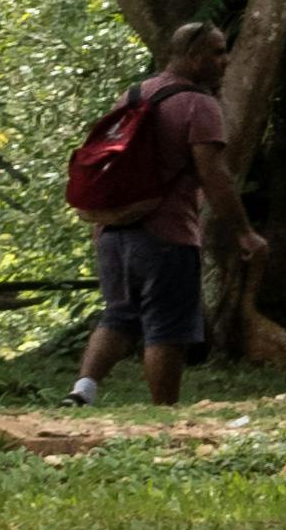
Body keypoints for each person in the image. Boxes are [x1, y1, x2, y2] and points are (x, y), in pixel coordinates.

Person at [69, 26, 231, 408]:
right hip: (167, 232)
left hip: (113, 228)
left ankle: (83, 390)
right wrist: (241, 231)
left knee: (118, 315)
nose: (225, 61)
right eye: (218, 52)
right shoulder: (199, 105)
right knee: (168, 326)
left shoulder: (134, 94)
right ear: (194, 56)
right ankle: (164, 411)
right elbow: (213, 173)